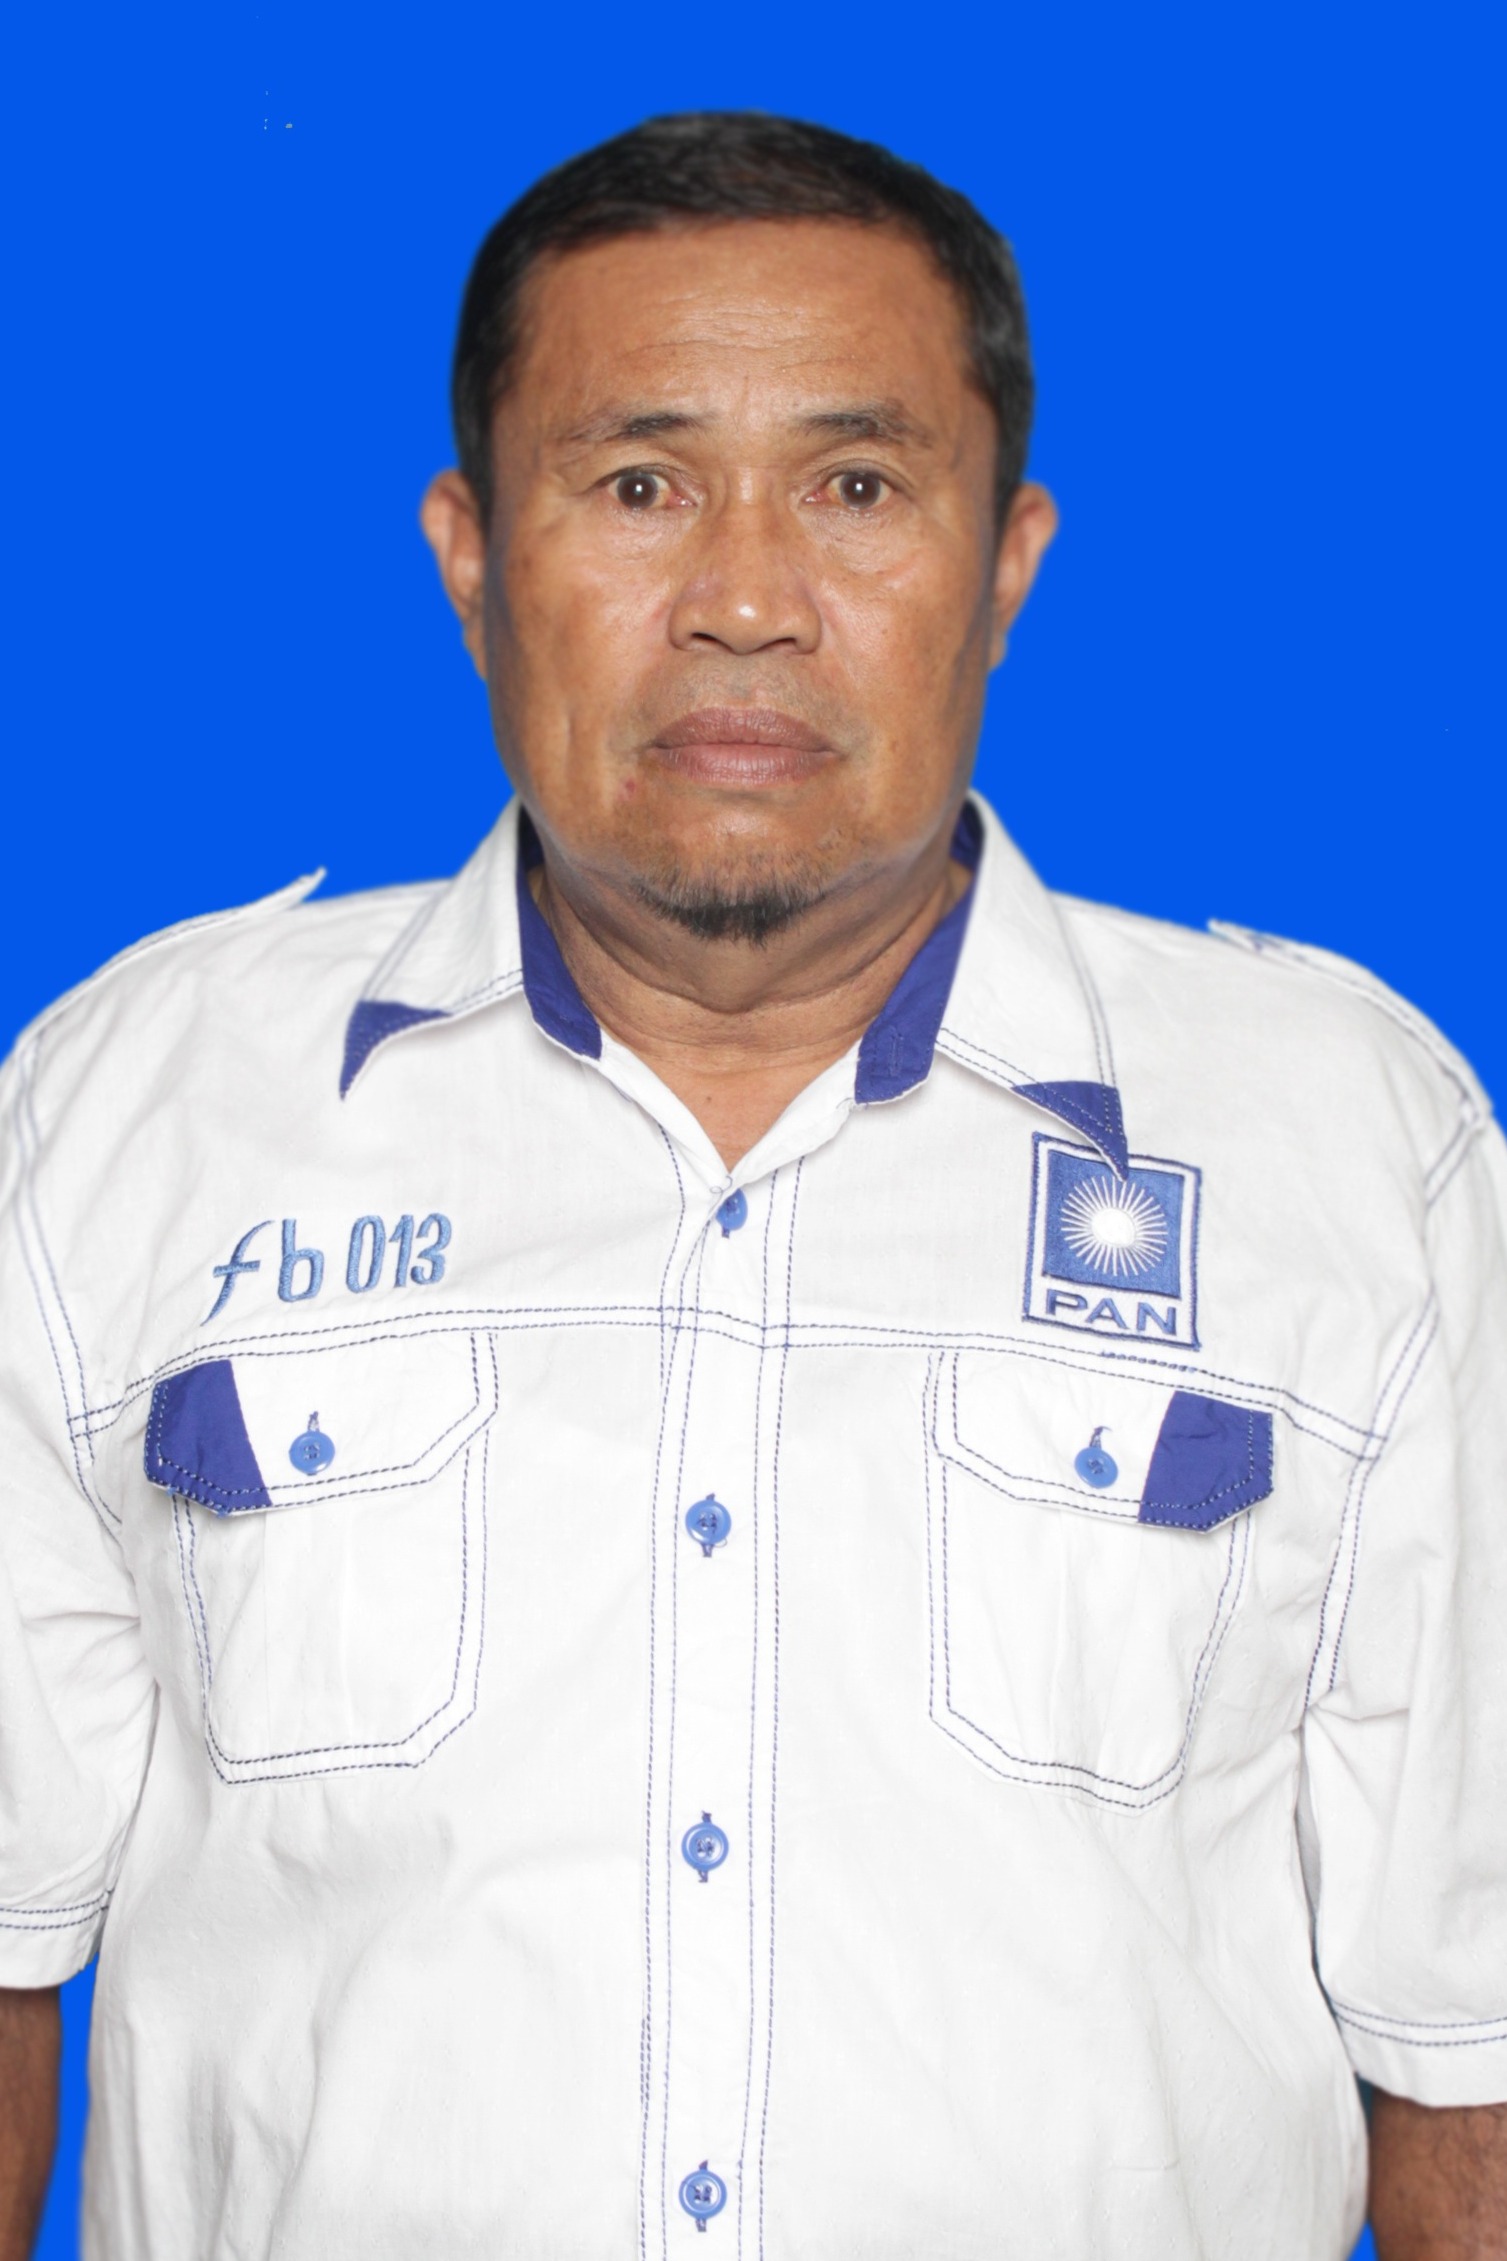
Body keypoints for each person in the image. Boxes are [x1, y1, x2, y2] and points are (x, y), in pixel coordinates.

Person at [0, 109, 1502, 2261]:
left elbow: (1471, 2037)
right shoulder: (133, 1112)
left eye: (856, 488)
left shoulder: (1349, 1147)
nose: (741, 601)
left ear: (1007, 560)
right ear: (468, 553)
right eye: (637, 484)